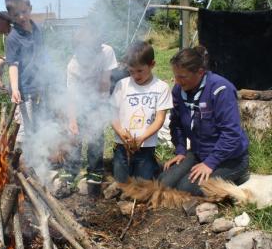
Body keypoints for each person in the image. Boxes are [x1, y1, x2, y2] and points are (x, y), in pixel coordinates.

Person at [160, 46, 249, 196]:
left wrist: (210, 163)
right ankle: (198, 168)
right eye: (176, 76)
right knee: (164, 182)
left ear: (200, 72)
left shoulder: (221, 90)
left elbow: (231, 133)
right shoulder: (178, 90)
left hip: (230, 158)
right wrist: (181, 150)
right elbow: (176, 123)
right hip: (199, 152)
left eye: (182, 77)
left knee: (186, 189)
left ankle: (237, 175)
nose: (177, 81)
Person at [111, 40, 173, 183]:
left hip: (146, 145)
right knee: (121, 182)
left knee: (142, 183)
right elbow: (112, 113)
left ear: (152, 65)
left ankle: (152, 170)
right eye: (131, 72)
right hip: (122, 144)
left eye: (140, 71)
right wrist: (120, 132)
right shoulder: (122, 85)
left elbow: (159, 119)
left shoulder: (161, 87)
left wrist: (142, 138)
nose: (136, 76)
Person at [62, 28, 118, 184]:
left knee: (96, 132)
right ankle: (71, 169)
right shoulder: (73, 66)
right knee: (74, 134)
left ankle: (95, 170)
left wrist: (100, 109)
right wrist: (72, 121)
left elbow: (105, 83)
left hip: (99, 95)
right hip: (80, 98)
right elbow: (71, 96)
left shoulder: (106, 52)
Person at [5, 0, 46, 146]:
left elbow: (43, 56)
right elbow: (13, 66)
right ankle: (23, 163)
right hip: (23, 91)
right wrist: (15, 89)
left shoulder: (39, 30)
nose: (21, 17)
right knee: (24, 129)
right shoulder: (13, 38)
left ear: (30, 8)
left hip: (39, 88)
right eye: (16, 15)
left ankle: (40, 160)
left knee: (40, 125)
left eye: (24, 12)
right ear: (10, 16)